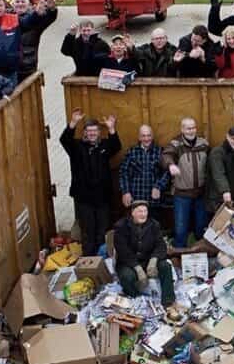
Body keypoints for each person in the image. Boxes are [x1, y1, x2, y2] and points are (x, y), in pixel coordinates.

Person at [60, 110, 121, 256]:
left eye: (95, 130)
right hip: (83, 197)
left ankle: (102, 258)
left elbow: (116, 146)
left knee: (103, 229)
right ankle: (89, 259)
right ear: (85, 133)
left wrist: (111, 128)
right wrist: (73, 123)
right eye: (89, 131)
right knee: (88, 230)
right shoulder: (76, 146)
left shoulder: (104, 145)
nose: (92, 133)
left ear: (99, 132)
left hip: (103, 197)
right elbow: (64, 140)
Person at [112, 201, 179, 320]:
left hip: (148, 259)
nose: (143, 214)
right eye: (139, 211)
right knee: (127, 277)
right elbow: (123, 251)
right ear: (132, 213)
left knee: (165, 266)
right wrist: (138, 269)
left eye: (145, 211)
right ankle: (138, 300)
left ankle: (168, 302)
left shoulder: (154, 225)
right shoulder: (121, 227)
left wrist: (153, 260)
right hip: (128, 262)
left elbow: (161, 245)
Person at [161, 117, 210, 249]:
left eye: (193, 128)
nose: (191, 131)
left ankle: (201, 252)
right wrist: (171, 165)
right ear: (182, 129)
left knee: (201, 227)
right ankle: (179, 253)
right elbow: (166, 155)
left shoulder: (203, 144)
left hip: (201, 193)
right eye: (188, 128)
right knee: (180, 229)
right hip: (182, 194)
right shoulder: (176, 144)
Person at [119, 125, 170, 220]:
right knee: (135, 226)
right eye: (143, 136)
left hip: (154, 200)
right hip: (136, 198)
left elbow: (167, 172)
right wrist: (125, 192)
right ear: (139, 137)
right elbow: (123, 172)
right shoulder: (132, 152)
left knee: (155, 225)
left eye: (149, 135)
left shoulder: (160, 151)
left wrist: (159, 186)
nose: (146, 139)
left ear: (152, 136)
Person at [205, 126, 234, 215]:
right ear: (227, 136)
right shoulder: (217, 152)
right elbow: (218, 173)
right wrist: (225, 190)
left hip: (232, 197)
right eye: (233, 138)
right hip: (218, 198)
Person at [12, 0, 58, 80]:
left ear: (28, 5)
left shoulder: (36, 20)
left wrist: (52, 10)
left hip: (28, 66)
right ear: (13, 5)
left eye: (23, 2)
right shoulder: (7, 18)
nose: (20, 4)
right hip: (10, 67)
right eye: (17, 2)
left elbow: (48, 19)